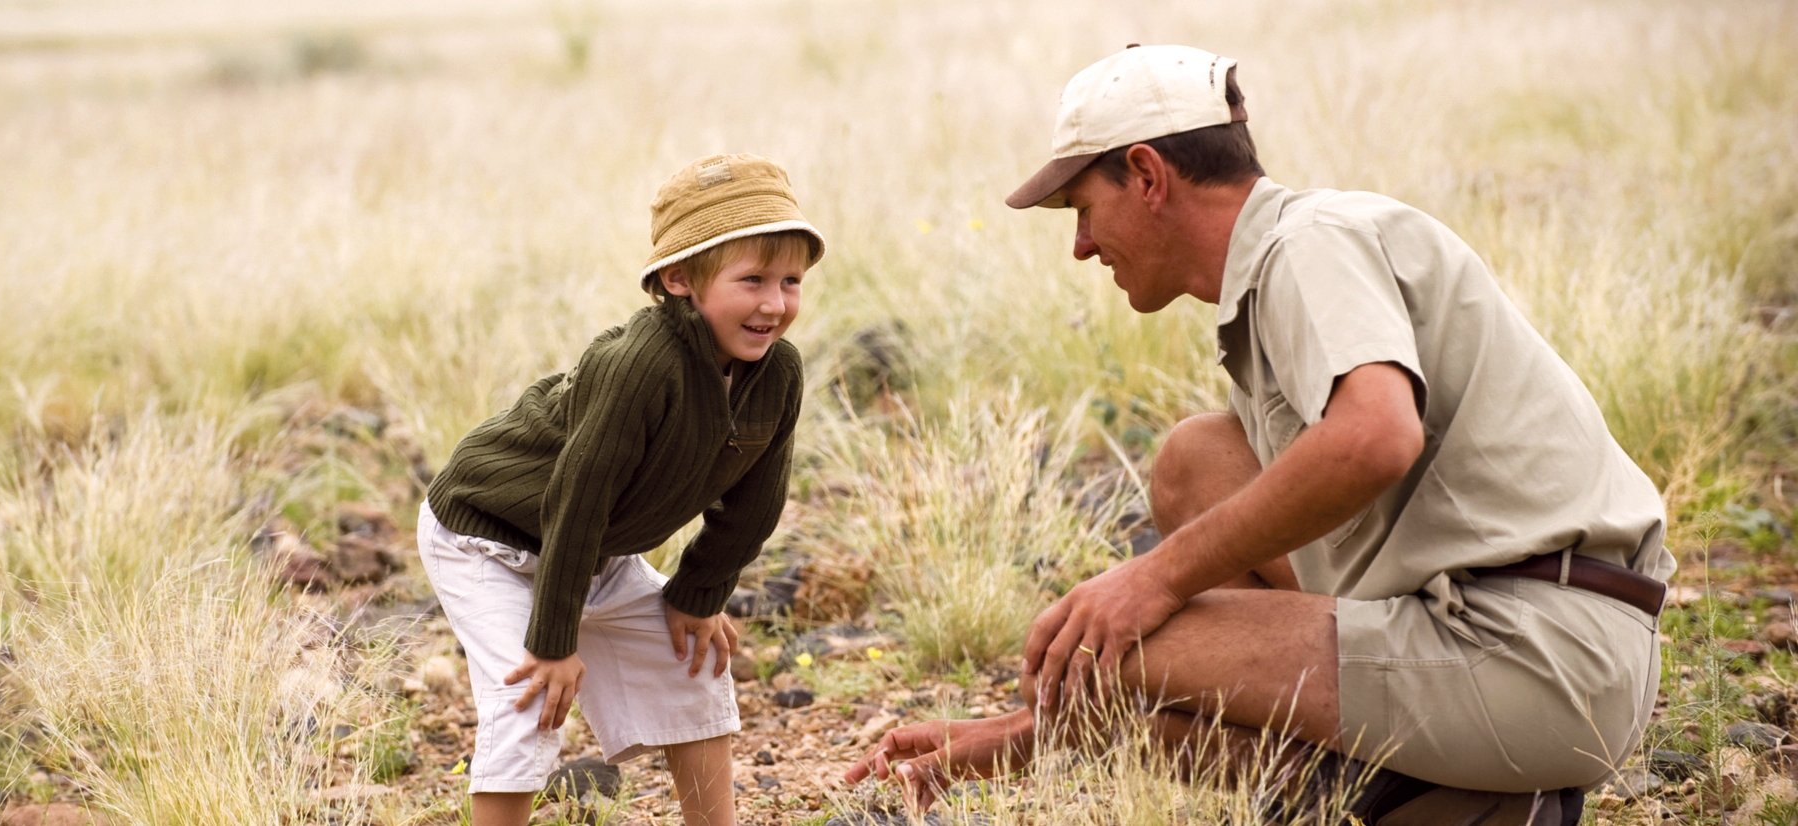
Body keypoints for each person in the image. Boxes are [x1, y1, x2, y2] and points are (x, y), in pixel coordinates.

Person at [847, 45, 1672, 824]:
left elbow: (1376, 437)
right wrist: (1011, 735)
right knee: (1196, 463)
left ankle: (1462, 794)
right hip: (1509, 630)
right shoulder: (1291, 255)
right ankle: (1446, 791)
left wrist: (1157, 580)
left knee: (1118, 641)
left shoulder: (1308, 244)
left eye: (1084, 209)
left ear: (1145, 175)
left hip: (1541, 654)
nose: (1081, 246)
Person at [418, 153, 821, 826]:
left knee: (690, 661)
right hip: (488, 537)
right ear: (678, 279)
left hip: (593, 549)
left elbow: (756, 502)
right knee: (529, 699)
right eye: (752, 280)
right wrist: (553, 640)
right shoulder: (640, 364)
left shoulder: (776, 372)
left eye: (791, 281)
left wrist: (698, 594)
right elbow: (577, 500)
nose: (774, 304)